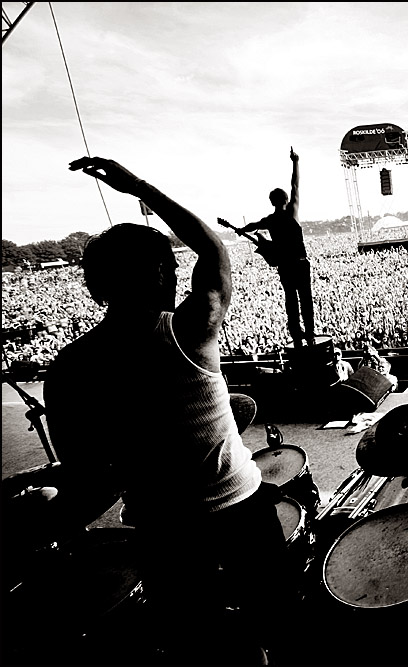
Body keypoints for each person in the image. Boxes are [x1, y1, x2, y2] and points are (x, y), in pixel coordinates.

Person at [44, 157, 294, 661]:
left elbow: (85, 473)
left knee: (196, 643)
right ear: (162, 273)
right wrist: (138, 187)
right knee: (283, 622)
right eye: (172, 268)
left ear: (96, 288)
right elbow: (214, 248)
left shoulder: (68, 370)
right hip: (240, 509)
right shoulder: (190, 329)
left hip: (164, 531)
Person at [240, 147, 316, 348]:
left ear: (272, 201)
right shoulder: (291, 212)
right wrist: (295, 162)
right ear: (285, 200)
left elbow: (253, 225)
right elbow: (295, 185)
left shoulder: (270, 220)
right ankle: (310, 334)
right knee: (306, 300)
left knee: (291, 301)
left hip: (285, 266)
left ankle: (297, 335)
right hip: (300, 264)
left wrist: (240, 229)